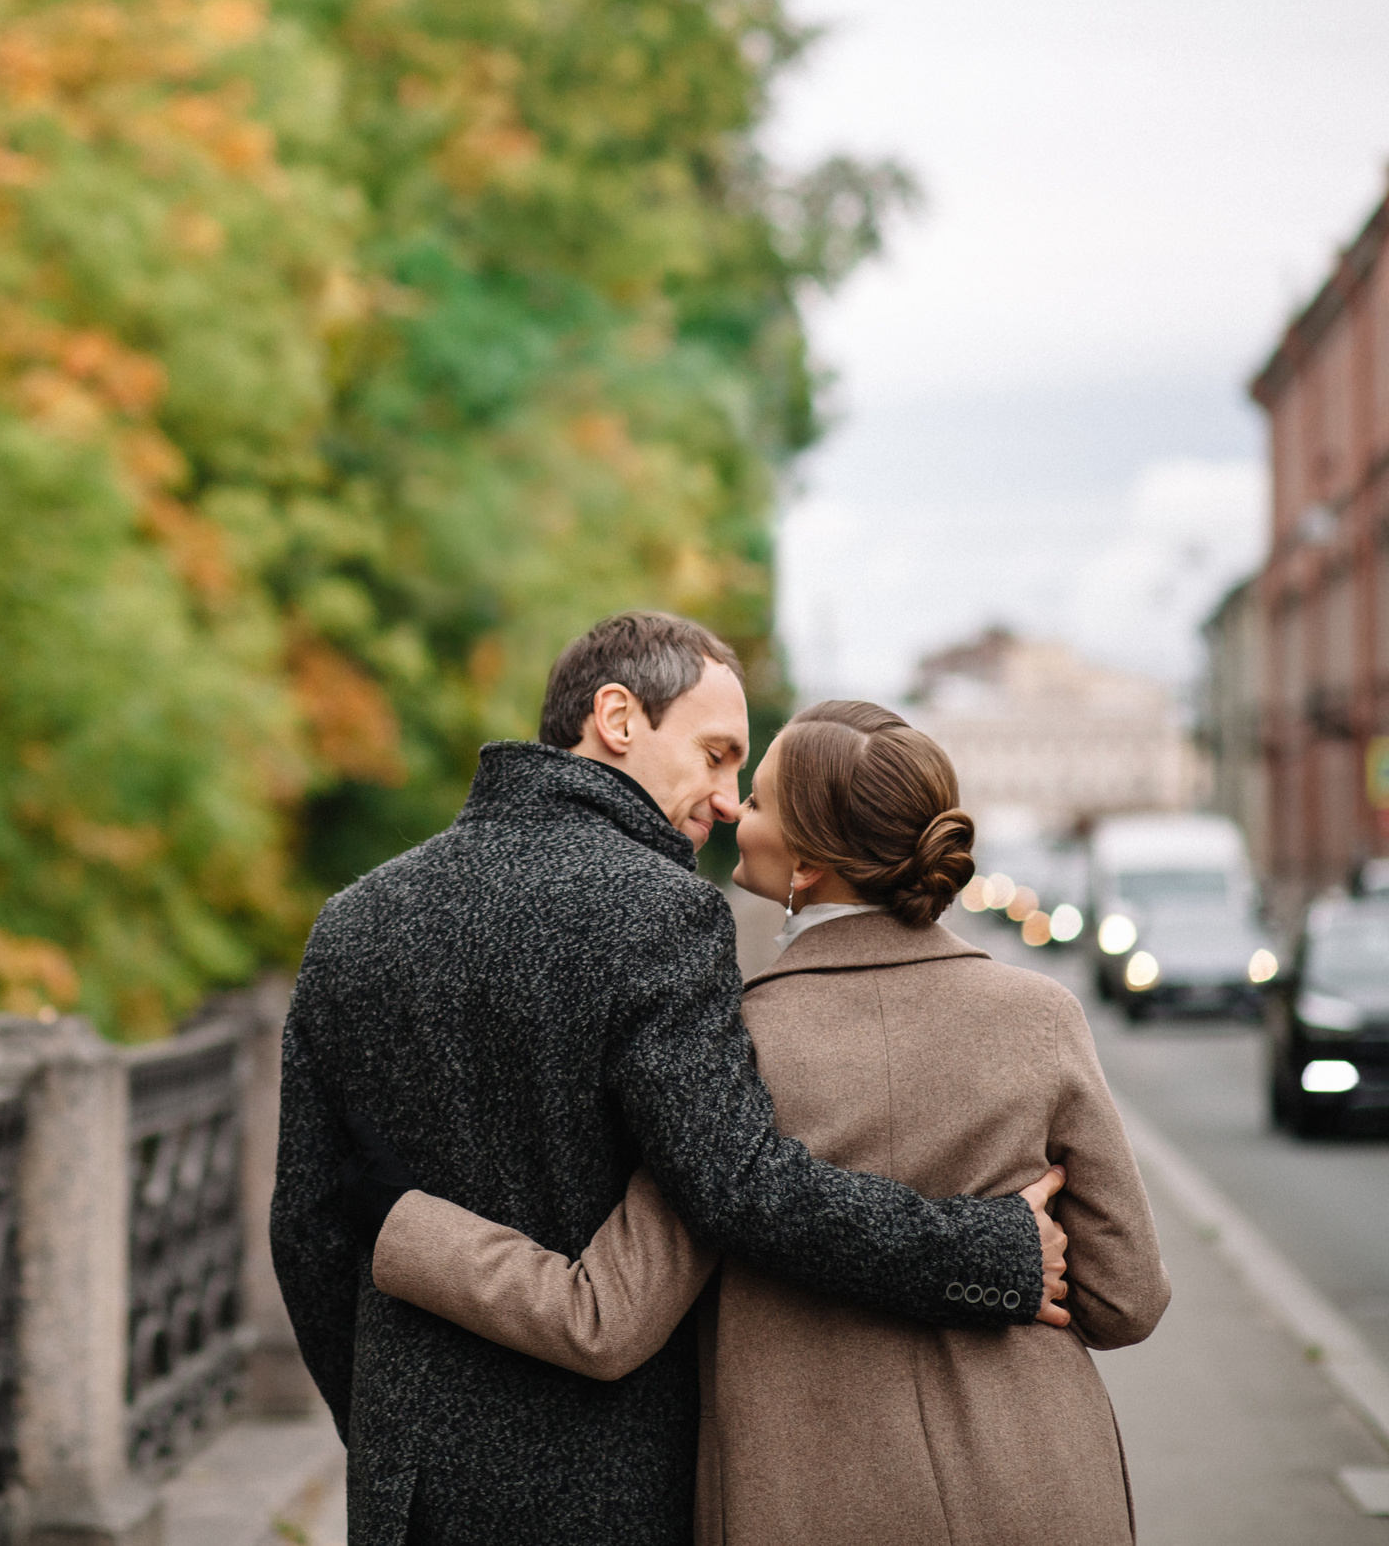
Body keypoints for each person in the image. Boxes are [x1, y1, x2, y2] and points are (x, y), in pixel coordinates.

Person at [270, 612, 1067, 1546]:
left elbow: (307, 1230)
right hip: (614, 1486)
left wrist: (385, 1431)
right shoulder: (664, 914)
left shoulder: (353, 920)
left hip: (408, 1494)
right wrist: (981, 1253)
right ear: (616, 716)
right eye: (717, 754)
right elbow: (740, 1186)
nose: (730, 801)